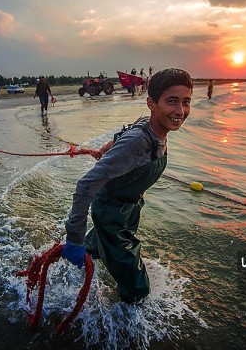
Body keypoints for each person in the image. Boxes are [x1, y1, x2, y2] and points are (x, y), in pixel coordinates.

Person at [62, 68, 194, 303]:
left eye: (186, 102)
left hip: (128, 209)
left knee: (95, 252)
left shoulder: (149, 125)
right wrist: (74, 239)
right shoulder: (137, 143)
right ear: (151, 103)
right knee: (137, 289)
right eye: (172, 101)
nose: (180, 111)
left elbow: (122, 132)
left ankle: (71, 274)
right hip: (111, 213)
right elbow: (85, 185)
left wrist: (103, 150)